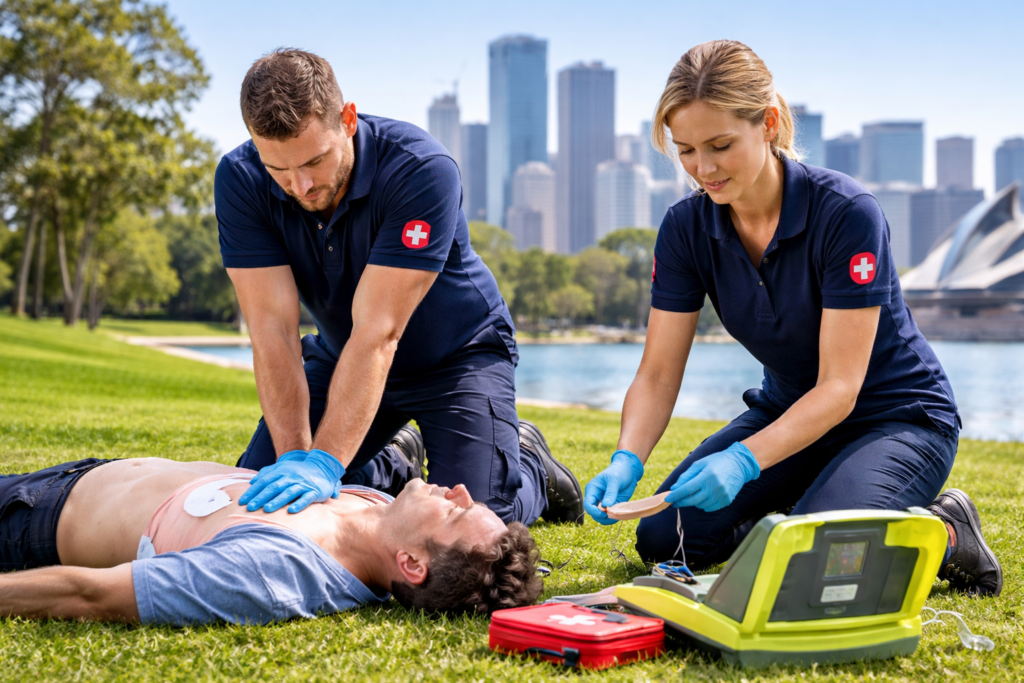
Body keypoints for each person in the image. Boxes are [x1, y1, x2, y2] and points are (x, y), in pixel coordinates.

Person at [583, 40, 1002, 597]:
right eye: (685, 150)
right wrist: (627, 456)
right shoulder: (685, 229)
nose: (702, 169)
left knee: (810, 562)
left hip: (894, 418)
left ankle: (946, 530)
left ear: (769, 123)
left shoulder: (847, 214)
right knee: (664, 537)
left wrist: (743, 462)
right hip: (786, 418)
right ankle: (807, 508)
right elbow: (659, 373)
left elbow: (840, 387)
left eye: (720, 145)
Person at [214, 48, 582, 525]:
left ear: (347, 119)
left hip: (456, 358)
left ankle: (530, 465)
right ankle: (392, 462)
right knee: (261, 495)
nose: (300, 186)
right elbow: (272, 333)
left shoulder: (420, 169)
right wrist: (295, 466)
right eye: (278, 170)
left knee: (475, 523)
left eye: (314, 161)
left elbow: (380, 331)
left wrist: (324, 463)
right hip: (343, 355)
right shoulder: (240, 179)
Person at [0, 445, 543, 624]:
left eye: (454, 514)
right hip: (87, 470)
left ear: (412, 565)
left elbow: (91, 594)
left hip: (34, 518)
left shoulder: (275, 570)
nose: (462, 493)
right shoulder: (381, 510)